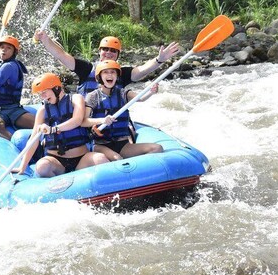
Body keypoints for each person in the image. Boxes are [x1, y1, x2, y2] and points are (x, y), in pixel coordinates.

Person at [13, 72, 109, 177]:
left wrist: (53, 129)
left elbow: (77, 120)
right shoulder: (42, 110)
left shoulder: (76, 99)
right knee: (42, 167)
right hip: (56, 161)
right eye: (40, 94)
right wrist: (22, 167)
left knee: (100, 159)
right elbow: (33, 140)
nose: (42, 96)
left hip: (82, 159)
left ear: (56, 88)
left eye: (44, 92)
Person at [33, 30, 180, 95]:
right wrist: (45, 39)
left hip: (111, 121)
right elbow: (61, 55)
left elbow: (142, 70)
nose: (109, 52)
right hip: (88, 120)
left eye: (113, 50)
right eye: (105, 49)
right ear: (99, 51)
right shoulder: (86, 69)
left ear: (117, 55)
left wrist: (160, 59)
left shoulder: (123, 73)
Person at [83, 60, 164, 160]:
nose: (110, 75)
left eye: (113, 72)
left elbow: (141, 98)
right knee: (117, 158)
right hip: (101, 145)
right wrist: (102, 120)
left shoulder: (122, 93)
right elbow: (84, 121)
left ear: (117, 76)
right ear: (99, 77)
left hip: (122, 143)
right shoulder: (92, 96)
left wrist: (151, 92)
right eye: (106, 72)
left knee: (157, 148)